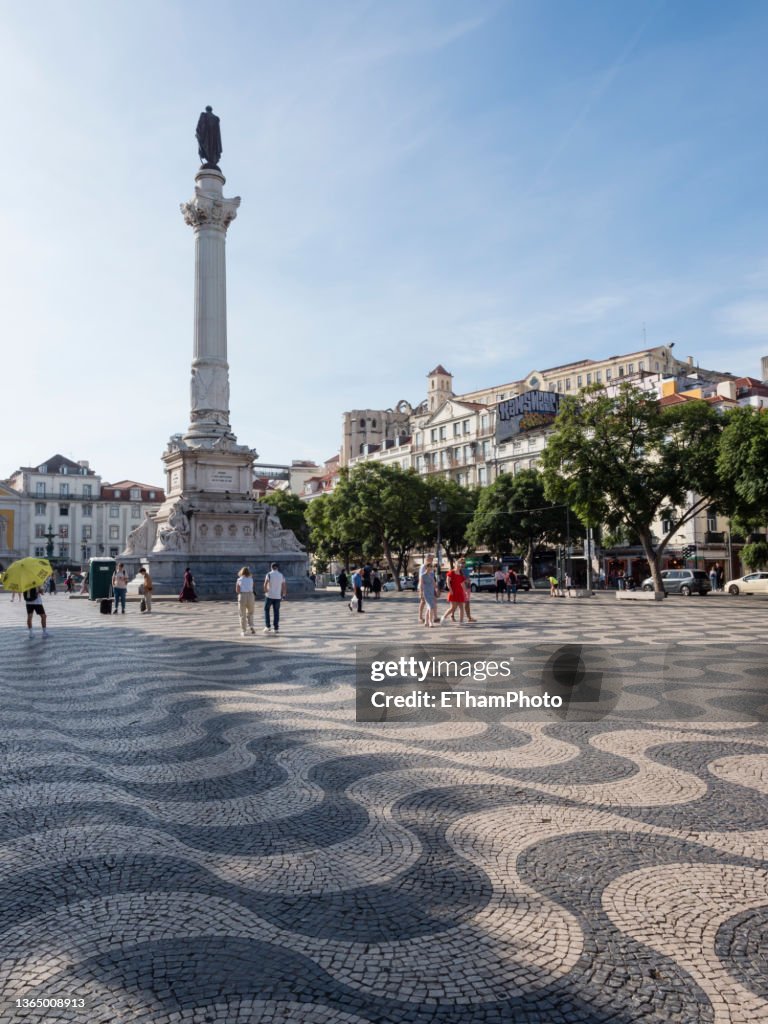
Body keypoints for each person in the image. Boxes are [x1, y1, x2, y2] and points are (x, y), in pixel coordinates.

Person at [264, 562, 287, 633]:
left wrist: (266, 592)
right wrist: (283, 595)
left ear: (271, 567)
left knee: (266, 610)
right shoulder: (281, 575)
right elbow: (284, 586)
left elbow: (265, 584)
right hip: (277, 596)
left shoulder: (269, 574)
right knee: (276, 612)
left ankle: (268, 626)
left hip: (269, 595)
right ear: (277, 567)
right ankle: (276, 628)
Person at [419, 556, 438, 627]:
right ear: (426, 567)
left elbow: (434, 583)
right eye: (429, 566)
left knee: (429, 608)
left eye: (431, 567)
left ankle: (426, 622)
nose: (430, 568)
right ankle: (430, 622)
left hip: (431, 592)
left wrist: (436, 589)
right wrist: (421, 593)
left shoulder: (432, 574)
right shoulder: (423, 575)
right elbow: (421, 585)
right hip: (426, 593)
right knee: (431, 607)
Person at [236, 567, 255, 636]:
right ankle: (251, 626)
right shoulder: (251, 579)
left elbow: (237, 590)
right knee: (250, 612)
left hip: (242, 595)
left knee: (242, 613)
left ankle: (244, 630)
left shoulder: (239, 579)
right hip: (250, 595)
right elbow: (252, 587)